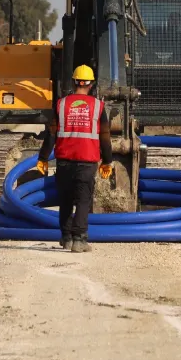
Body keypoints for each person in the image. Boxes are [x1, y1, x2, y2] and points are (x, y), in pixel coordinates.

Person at [36, 65, 113, 253]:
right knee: (83, 200)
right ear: (91, 83)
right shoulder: (97, 106)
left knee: (66, 200)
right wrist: (108, 160)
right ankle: (79, 239)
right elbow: (105, 136)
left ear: (73, 81)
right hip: (87, 161)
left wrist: (43, 157)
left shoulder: (61, 104)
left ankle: (66, 238)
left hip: (64, 161)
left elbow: (51, 133)